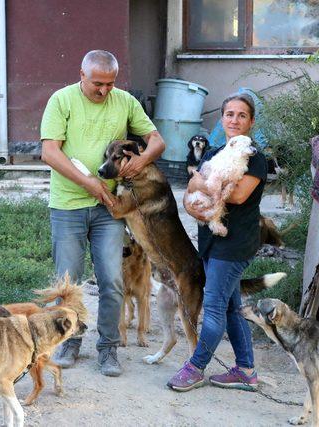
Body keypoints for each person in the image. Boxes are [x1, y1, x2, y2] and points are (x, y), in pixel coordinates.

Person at [40, 50, 165, 377]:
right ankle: (68, 342)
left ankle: (108, 349)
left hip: (110, 210)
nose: (104, 91)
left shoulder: (124, 101)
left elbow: (156, 140)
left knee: (112, 280)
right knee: (67, 283)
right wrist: (91, 184)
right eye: (98, 84)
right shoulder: (61, 100)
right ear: (81, 74)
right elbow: (50, 152)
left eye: (110, 84)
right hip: (67, 205)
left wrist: (141, 160)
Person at [167, 93, 267, 391]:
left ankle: (195, 368)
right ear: (221, 119)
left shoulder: (254, 158)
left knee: (213, 308)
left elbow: (236, 196)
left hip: (234, 245)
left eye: (242, 115)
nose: (234, 120)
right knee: (231, 307)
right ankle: (246, 371)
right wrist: (193, 200)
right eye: (229, 114)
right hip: (211, 241)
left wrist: (201, 184)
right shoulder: (213, 153)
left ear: (251, 122)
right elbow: (190, 194)